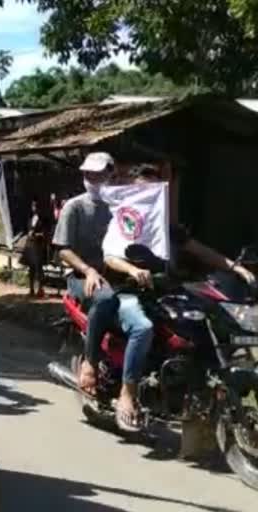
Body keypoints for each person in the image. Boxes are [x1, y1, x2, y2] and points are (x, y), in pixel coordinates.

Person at [102, 163, 255, 430]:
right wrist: (132, 270)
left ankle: (193, 391)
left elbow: (199, 249)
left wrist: (235, 268)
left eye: (155, 190)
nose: (150, 195)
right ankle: (128, 394)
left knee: (204, 324)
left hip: (165, 291)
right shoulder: (125, 223)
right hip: (126, 290)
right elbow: (111, 256)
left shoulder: (166, 228)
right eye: (143, 190)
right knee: (143, 328)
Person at [52, 152, 120, 401]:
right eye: (88, 173)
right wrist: (89, 270)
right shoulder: (75, 206)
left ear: (112, 173)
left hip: (119, 274)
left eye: (98, 173)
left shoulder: (122, 207)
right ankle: (90, 364)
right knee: (104, 298)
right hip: (81, 277)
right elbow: (63, 250)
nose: (92, 178)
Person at [23, 199, 49, 297]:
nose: (34, 208)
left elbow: (45, 233)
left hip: (38, 246)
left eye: (36, 206)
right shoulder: (30, 218)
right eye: (33, 206)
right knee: (31, 269)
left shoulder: (43, 219)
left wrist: (36, 234)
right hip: (30, 245)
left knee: (39, 268)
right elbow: (28, 230)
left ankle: (40, 289)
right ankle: (31, 289)